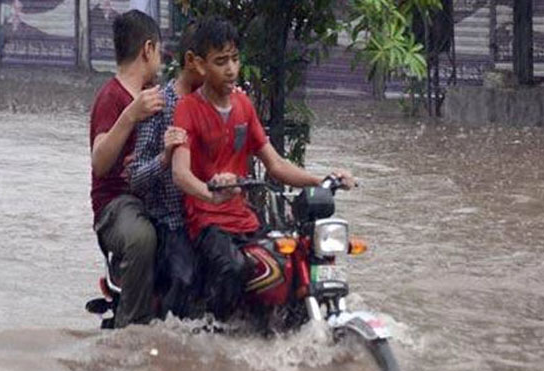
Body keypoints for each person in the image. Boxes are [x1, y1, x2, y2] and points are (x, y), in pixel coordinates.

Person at [170, 16, 355, 320]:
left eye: (235, 59)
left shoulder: (244, 105)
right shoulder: (186, 108)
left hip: (245, 220)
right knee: (231, 268)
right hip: (206, 224)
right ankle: (217, 333)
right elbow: (180, 173)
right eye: (220, 61)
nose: (231, 69)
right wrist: (210, 193)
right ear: (200, 65)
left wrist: (324, 178)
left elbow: (276, 164)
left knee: (291, 262)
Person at [89, 9, 164, 328]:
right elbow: (99, 162)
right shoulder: (112, 97)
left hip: (154, 195)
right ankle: (132, 327)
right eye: (160, 50)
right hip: (117, 207)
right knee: (142, 238)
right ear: (148, 49)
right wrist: (130, 115)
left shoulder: (158, 97)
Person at [128, 22, 203, 319]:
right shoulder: (159, 105)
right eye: (217, 61)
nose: (227, 71)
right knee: (184, 279)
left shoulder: (223, 103)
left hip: (211, 218)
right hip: (171, 221)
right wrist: (165, 157)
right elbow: (135, 178)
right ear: (193, 61)